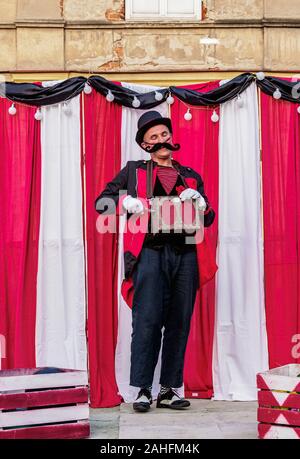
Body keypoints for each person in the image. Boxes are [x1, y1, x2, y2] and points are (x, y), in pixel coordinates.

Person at [95, 111, 217, 413]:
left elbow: (210, 217)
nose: (161, 140)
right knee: (147, 321)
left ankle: (169, 389)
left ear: (171, 138)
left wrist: (201, 202)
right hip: (149, 254)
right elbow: (101, 203)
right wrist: (126, 202)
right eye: (153, 137)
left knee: (179, 322)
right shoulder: (134, 171)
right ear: (144, 145)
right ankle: (142, 390)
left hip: (186, 255)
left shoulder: (190, 175)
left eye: (164, 134)